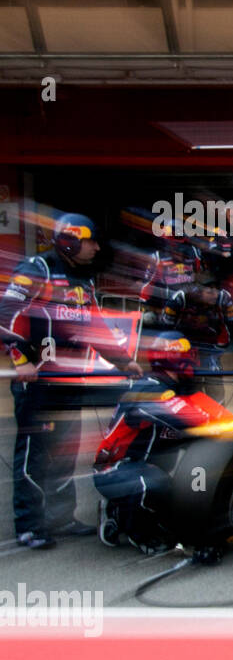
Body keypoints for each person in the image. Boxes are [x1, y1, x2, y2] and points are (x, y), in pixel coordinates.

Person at [1, 214, 142, 548]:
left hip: (69, 379)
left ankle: (61, 517)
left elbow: (95, 328)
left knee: (65, 451)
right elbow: (5, 313)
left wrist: (125, 361)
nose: (95, 247)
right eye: (90, 241)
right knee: (36, 454)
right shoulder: (37, 270)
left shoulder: (84, 281)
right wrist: (21, 360)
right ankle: (30, 524)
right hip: (36, 381)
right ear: (70, 240)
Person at [93, 331, 225, 558]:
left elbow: (217, 419)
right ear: (172, 358)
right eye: (187, 355)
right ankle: (137, 531)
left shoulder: (180, 391)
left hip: (150, 467)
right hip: (114, 468)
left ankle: (120, 512)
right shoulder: (147, 389)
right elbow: (187, 419)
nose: (193, 361)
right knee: (154, 484)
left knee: (183, 498)